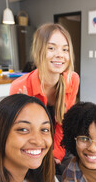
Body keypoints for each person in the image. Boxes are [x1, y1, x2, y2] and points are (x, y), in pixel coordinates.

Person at [9, 23, 80, 171]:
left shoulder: (72, 80)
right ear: (39, 51)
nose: (60, 54)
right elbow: (17, 135)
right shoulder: (20, 87)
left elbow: (63, 125)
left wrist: (55, 155)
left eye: (65, 49)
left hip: (58, 144)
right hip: (31, 147)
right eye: (51, 48)